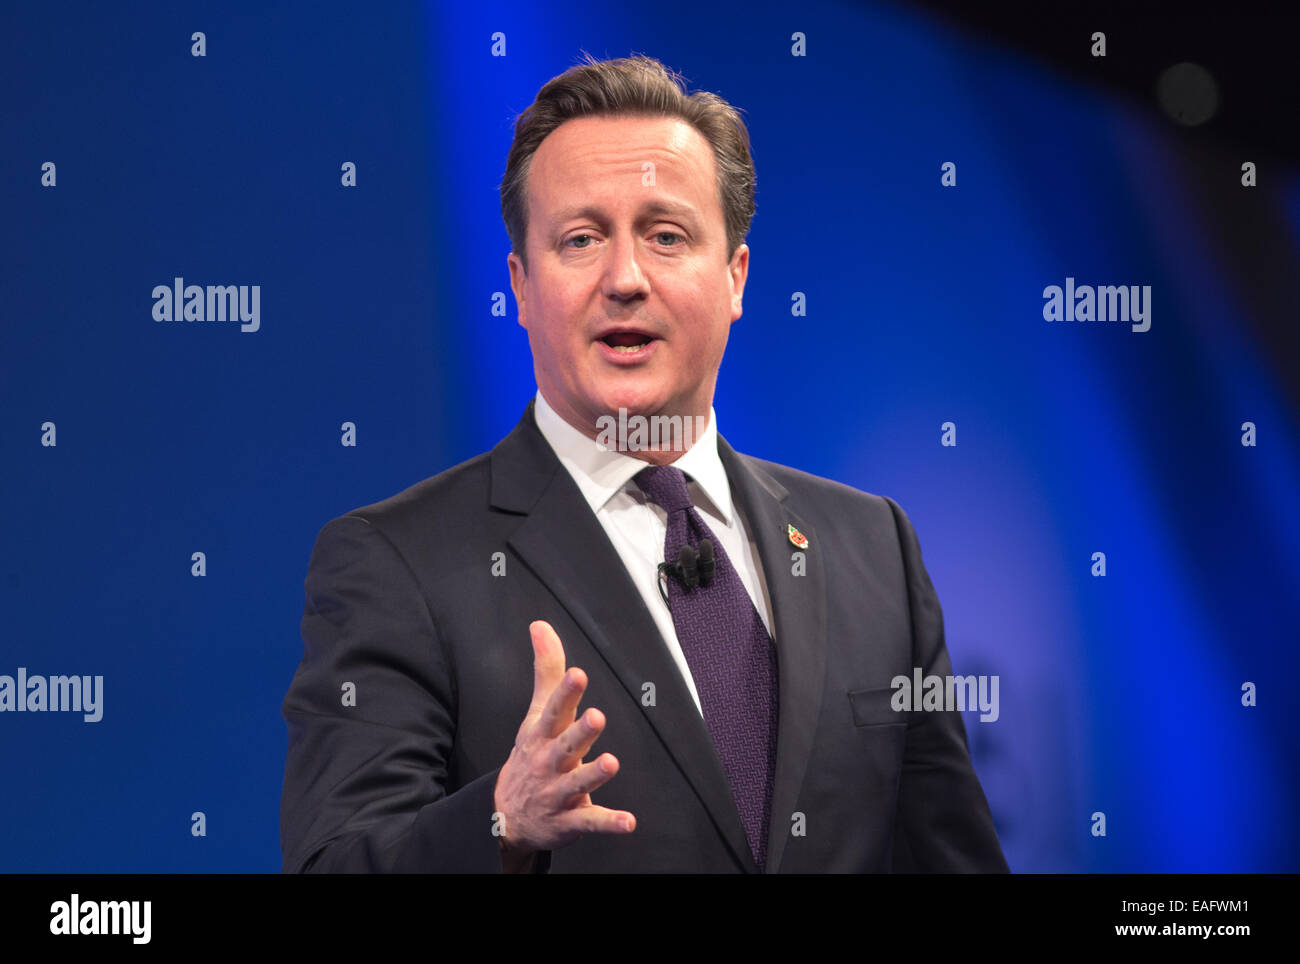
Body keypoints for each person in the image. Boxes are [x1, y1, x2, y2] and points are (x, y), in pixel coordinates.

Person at [279, 53, 1008, 874]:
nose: (625, 279)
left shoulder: (872, 546)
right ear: (520, 287)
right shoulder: (399, 564)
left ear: (734, 276)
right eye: (581, 239)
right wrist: (501, 823)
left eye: (666, 235)